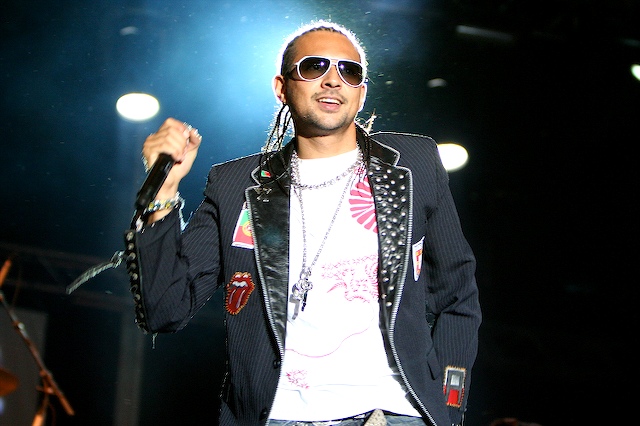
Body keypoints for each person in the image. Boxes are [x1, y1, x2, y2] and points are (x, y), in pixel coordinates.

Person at [124, 19, 481, 426]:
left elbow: (457, 293)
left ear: (361, 93)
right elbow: (165, 310)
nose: (333, 80)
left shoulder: (413, 164)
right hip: (281, 416)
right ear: (282, 87)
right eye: (314, 66)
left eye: (349, 71)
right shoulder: (236, 185)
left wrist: (447, 410)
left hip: (394, 414)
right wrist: (164, 191)